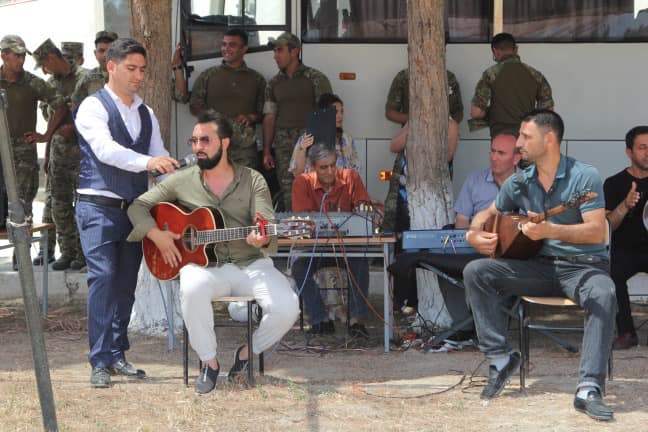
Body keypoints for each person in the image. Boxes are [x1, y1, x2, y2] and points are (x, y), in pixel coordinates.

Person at [127, 112, 299, 394]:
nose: (198, 147)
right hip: (205, 268)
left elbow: (265, 222)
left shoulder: (252, 180)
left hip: (250, 264)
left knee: (288, 306)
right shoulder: (182, 180)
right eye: (194, 141)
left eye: (205, 140)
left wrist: (262, 237)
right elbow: (138, 206)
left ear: (225, 143)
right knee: (191, 287)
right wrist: (157, 235)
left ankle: (247, 354)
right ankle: (209, 362)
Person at [463, 110, 615, 421]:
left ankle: (588, 389)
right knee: (476, 271)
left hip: (585, 267)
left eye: (525, 136)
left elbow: (595, 231)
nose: (519, 143)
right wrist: (473, 235)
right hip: (541, 268)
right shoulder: (520, 181)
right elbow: (485, 214)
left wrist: (550, 231)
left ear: (549, 140)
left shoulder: (584, 175)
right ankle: (500, 358)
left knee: (604, 293)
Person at [74, 38, 180, 388]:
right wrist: (150, 163)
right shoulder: (92, 106)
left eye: (142, 70)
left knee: (125, 284)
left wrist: (187, 186)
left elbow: (160, 162)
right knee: (103, 278)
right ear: (111, 66)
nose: (139, 76)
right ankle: (100, 361)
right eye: (131, 68)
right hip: (98, 207)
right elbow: (106, 151)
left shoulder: (146, 113)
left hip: (135, 211)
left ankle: (117, 354)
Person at [290, 141, 372, 337]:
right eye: (323, 167)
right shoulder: (302, 182)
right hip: (316, 248)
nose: (330, 171)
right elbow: (302, 221)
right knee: (299, 268)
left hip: (346, 247)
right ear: (312, 167)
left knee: (361, 264)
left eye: (333, 165)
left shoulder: (350, 177)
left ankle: (356, 321)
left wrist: (366, 211)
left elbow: (364, 210)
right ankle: (320, 320)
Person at [383, 68, 463, 232]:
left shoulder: (450, 125)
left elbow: (447, 157)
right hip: (409, 189)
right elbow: (394, 146)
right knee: (401, 222)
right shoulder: (413, 122)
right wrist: (415, 127)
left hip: (435, 190)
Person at [0, 35, 68, 228]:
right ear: (4, 55)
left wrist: (45, 135)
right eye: (17, 55)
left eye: (23, 56)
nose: (21, 60)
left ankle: (21, 249)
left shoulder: (33, 83)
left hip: (23, 157)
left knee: (22, 216)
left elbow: (61, 105)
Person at [31, 38, 87, 271]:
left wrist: (75, 127)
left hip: (82, 155)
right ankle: (67, 252)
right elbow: (50, 119)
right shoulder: (50, 84)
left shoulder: (85, 78)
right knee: (59, 206)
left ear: (53, 58)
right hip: (58, 154)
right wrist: (47, 153)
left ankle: (84, 254)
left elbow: (95, 113)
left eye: (45, 65)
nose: (44, 71)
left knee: (84, 206)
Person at [262, 31, 332, 210]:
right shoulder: (273, 83)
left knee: (317, 190)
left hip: (311, 144)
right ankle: (295, 226)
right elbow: (269, 116)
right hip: (284, 148)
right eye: (274, 51)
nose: (275, 55)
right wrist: (267, 150)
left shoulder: (316, 78)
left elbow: (327, 114)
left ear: (294, 51)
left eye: (279, 50)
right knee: (289, 193)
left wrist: (326, 149)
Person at [189, 29, 266, 170]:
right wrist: (216, 118)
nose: (226, 49)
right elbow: (194, 106)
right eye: (224, 44)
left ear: (244, 49)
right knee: (212, 182)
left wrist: (250, 117)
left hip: (244, 147)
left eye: (232, 45)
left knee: (245, 183)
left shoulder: (256, 79)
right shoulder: (209, 75)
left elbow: (264, 113)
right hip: (213, 143)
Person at [603, 125, 648, 350]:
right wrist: (625, 205)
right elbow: (608, 226)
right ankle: (627, 332)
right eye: (642, 147)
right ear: (629, 152)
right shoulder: (614, 183)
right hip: (624, 250)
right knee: (611, 271)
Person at [469, 32, 554, 138]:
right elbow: (547, 111)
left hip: (500, 136)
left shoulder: (490, 74)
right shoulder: (535, 74)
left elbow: (476, 112)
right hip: (527, 136)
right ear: (516, 50)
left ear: (495, 51)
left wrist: (492, 113)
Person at [455, 133, 521, 228]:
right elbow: (461, 220)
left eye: (501, 153)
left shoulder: (530, 184)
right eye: (493, 151)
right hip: (479, 236)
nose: (494, 158)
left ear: (516, 159)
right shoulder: (474, 180)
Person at [288, 93, 359, 176]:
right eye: (335, 112)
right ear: (323, 113)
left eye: (341, 112)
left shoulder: (347, 139)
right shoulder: (306, 138)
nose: (340, 116)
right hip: (313, 184)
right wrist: (302, 150)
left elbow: (355, 171)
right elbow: (296, 173)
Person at [71, 31, 118, 108]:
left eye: (110, 51)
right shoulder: (88, 79)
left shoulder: (126, 76)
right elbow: (75, 106)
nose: (105, 55)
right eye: (101, 51)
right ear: (95, 53)